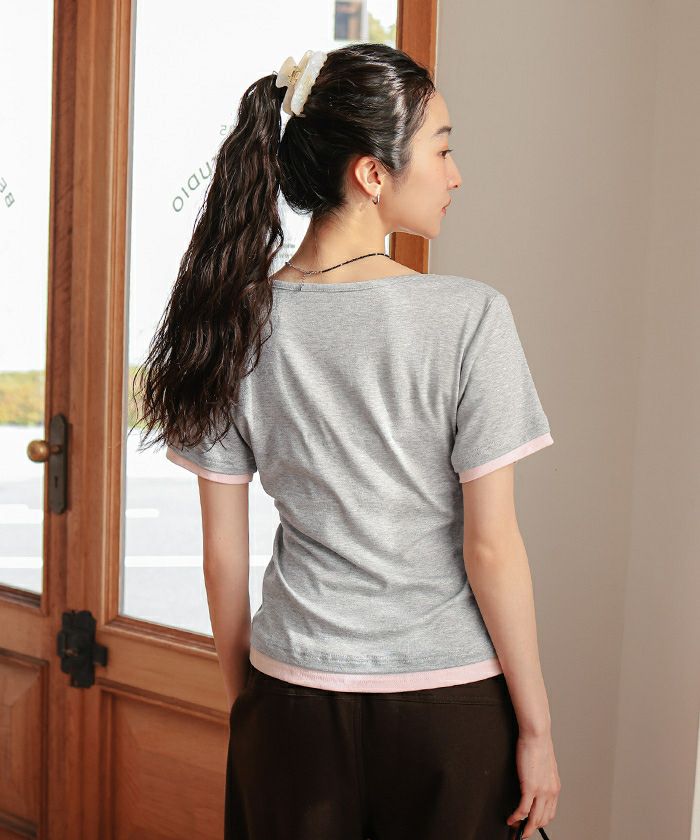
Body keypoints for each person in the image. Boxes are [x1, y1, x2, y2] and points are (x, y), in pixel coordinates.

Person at [135, 42, 560, 840]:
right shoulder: (470, 316)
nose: (456, 175)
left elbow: (222, 556)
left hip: (292, 697)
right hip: (448, 708)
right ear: (371, 173)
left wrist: (254, 705)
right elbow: (491, 547)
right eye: (442, 148)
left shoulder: (234, 323)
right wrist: (536, 730)